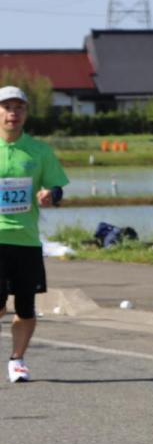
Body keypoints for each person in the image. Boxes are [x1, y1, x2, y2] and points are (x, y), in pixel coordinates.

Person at [0, 85, 68, 383]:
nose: (13, 113)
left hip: (26, 240)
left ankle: (17, 359)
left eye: (19, 107)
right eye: (6, 107)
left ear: (26, 113)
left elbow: (57, 189)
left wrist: (49, 195)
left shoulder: (39, 151)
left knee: (25, 306)